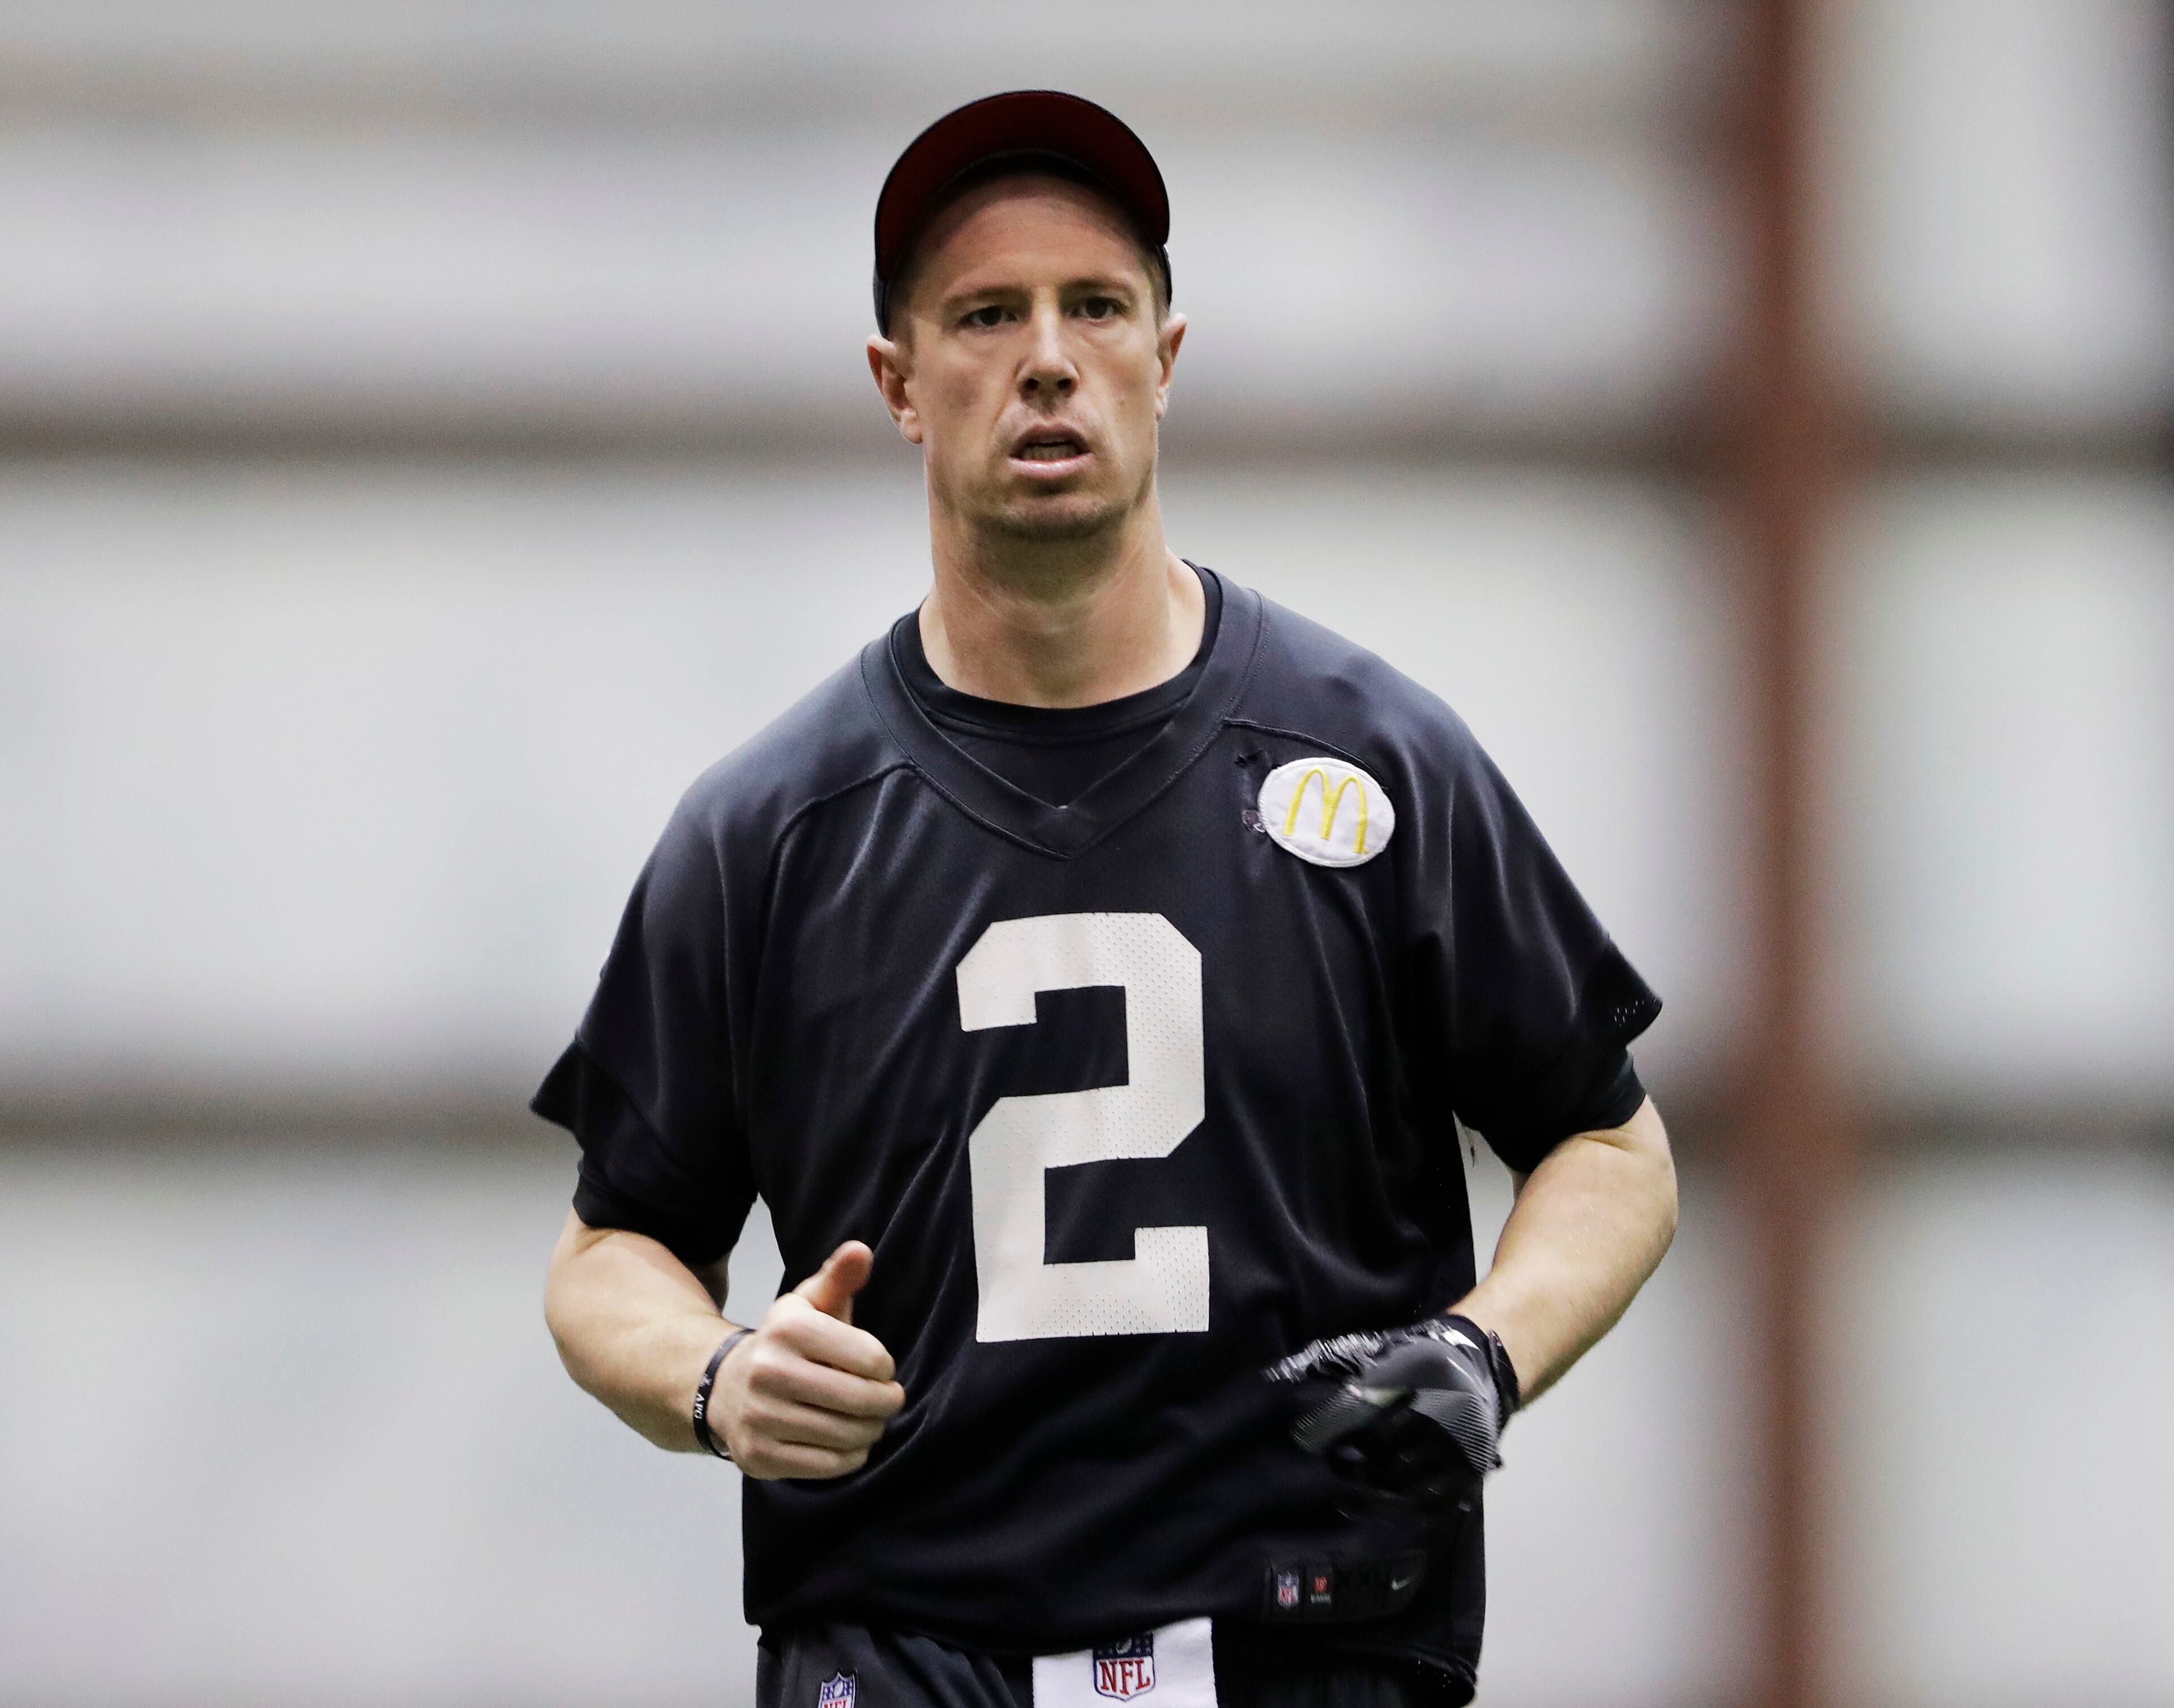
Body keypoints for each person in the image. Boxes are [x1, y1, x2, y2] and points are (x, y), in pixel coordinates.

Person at [538, 90, 1677, 1708]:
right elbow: (609, 1251)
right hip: (910, 1640)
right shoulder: (774, 827)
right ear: (900, 385)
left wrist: (1490, 1350)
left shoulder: (1375, 764)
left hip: (1315, 1634)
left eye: (1097, 307)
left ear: (1166, 356)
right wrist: (718, 1374)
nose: (1049, 357)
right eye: (987, 314)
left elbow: (1612, 1142)